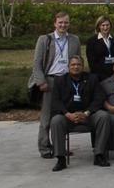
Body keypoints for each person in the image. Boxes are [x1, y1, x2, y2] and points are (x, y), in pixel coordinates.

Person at [29, 11, 82, 159]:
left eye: (66, 22)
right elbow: (37, 64)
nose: (63, 25)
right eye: (60, 22)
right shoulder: (45, 40)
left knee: (62, 116)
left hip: (66, 81)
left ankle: (60, 148)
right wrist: (41, 82)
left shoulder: (74, 40)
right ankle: (45, 148)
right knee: (46, 117)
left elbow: (77, 60)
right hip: (50, 81)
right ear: (55, 23)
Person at [49, 56, 106, 171]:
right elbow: (55, 101)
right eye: (73, 65)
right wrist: (67, 114)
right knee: (56, 121)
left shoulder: (92, 78)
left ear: (83, 66)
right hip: (68, 116)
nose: (76, 67)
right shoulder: (60, 80)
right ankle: (61, 159)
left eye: (78, 64)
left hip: (88, 115)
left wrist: (87, 113)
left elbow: (99, 98)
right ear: (68, 67)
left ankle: (99, 155)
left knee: (103, 117)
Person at [86, 16, 114, 81]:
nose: (105, 27)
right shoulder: (92, 41)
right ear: (99, 26)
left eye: (107, 25)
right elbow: (91, 62)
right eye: (103, 25)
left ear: (110, 26)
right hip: (99, 76)